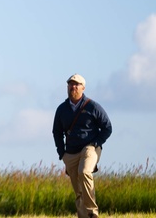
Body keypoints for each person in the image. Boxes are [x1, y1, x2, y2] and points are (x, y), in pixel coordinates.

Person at [52, 73, 113, 218]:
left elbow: (107, 127)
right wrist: (62, 154)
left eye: (76, 84)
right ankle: (83, 215)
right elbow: (56, 131)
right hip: (71, 152)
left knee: (85, 172)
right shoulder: (62, 109)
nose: (73, 87)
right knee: (78, 189)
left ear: (83, 88)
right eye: (70, 84)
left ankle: (92, 212)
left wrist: (96, 143)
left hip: (90, 147)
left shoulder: (93, 106)